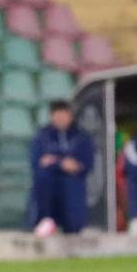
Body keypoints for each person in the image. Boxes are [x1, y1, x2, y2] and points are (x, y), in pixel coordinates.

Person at [29, 100, 94, 236]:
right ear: (51, 116)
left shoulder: (82, 137)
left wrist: (54, 161)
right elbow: (38, 164)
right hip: (49, 189)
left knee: (73, 226)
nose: (61, 119)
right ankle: (45, 220)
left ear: (70, 116)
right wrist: (62, 163)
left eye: (64, 115)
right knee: (44, 178)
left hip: (73, 191)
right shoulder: (42, 137)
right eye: (57, 116)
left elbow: (86, 164)